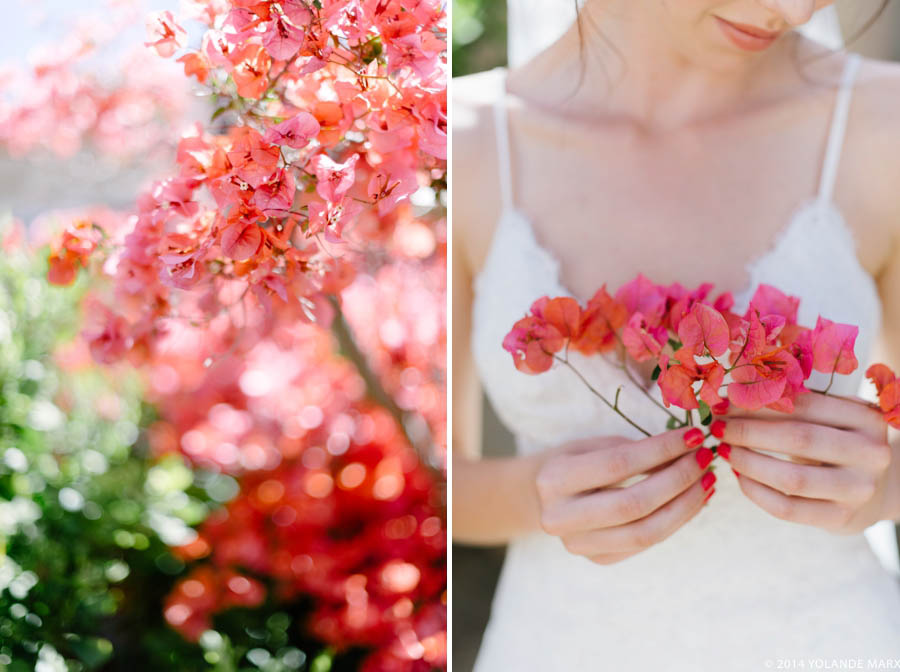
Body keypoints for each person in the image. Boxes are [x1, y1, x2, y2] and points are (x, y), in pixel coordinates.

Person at [452, 1, 900, 669]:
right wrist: (534, 493)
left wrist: (884, 483)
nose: (797, 8)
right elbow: (433, 488)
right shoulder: (464, 142)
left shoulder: (881, 125)